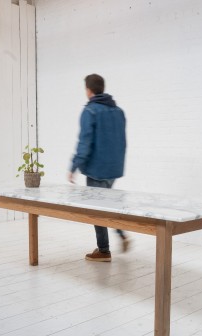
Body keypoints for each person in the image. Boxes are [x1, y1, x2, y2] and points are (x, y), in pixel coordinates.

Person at [68, 74, 129, 262]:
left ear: (88, 90)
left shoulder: (90, 111)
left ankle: (104, 250)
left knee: (97, 210)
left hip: (96, 168)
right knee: (108, 205)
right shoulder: (118, 111)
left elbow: (84, 142)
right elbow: (122, 142)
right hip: (113, 168)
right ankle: (120, 233)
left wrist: (74, 166)